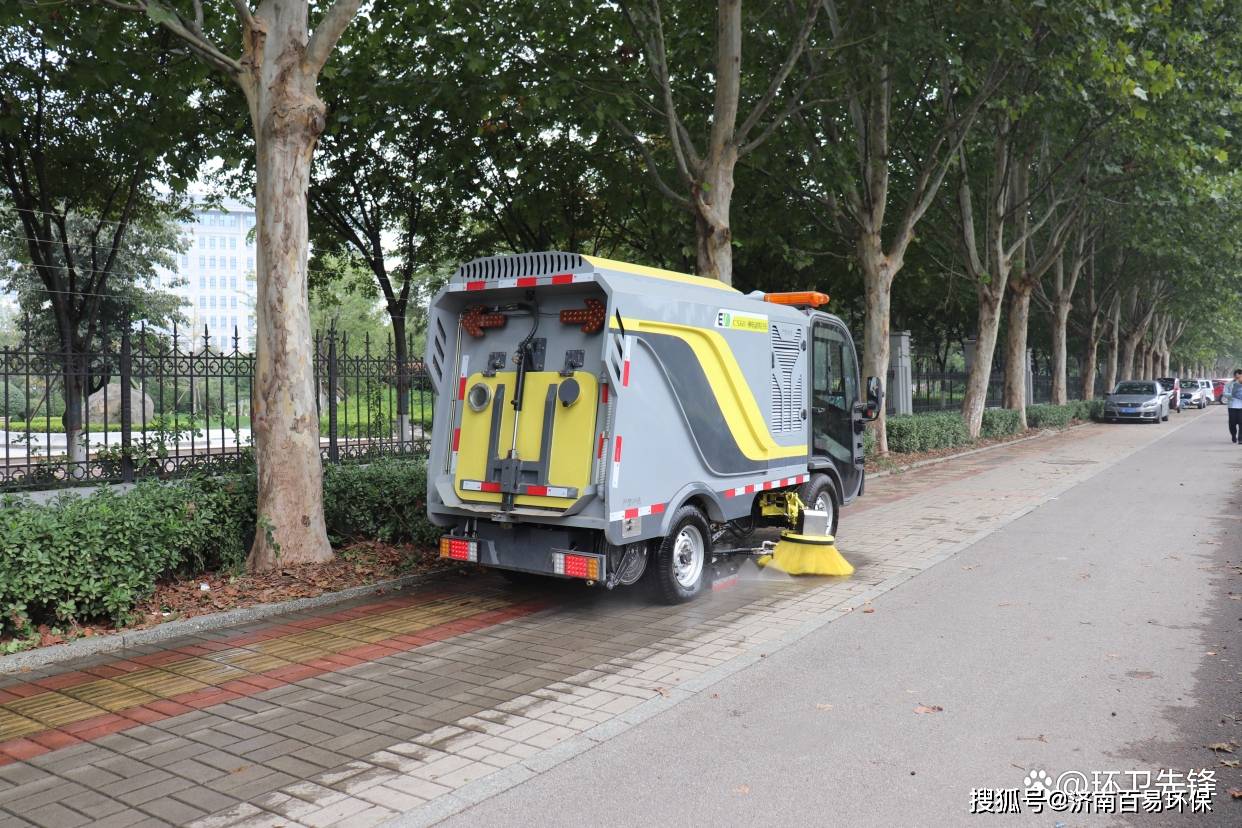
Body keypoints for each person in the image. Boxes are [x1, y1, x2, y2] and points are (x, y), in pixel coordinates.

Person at [1226, 369, 1242, 443]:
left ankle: (1240, 439)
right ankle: (1233, 435)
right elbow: (1225, 393)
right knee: (1232, 423)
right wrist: (1232, 395)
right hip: (1232, 406)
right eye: (1237, 377)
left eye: (1240, 376)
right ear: (1234, 376)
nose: (1238, 378)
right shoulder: (1229, 384)